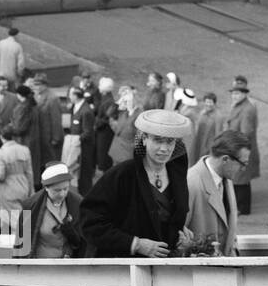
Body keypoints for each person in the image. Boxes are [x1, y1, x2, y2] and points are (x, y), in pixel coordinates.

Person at [80, 109, 193, 258]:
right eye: (158, 140)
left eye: (170, 141)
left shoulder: (177, 175)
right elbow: (90, 223)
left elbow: (165, 219)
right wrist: (135, 244)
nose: (164, 148)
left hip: (165, 270)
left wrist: (180, 236)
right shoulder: (122, 175)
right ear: (144, 139)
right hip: (124, 270)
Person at [186, 130, 251, 256]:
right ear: (225, 159)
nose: (243, 169)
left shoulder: (226, 176)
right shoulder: (190, 183)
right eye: (243, 164)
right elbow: (177, 235)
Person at [22, 162, 83, 259]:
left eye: (65, 189)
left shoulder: (77, 202)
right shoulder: (30, 205)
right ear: (46, 188)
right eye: (57, 190)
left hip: (69, 266)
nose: (62, 194)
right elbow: (22, 242)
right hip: (41, 265)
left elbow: (85, 240)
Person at [225, 79, 259, 215]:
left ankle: (243, 208)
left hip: (241, 149)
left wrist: (237, 149)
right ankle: (241, 207)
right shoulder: (238, 105)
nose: (234, 96)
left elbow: (246, 133)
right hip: (237, 147)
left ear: (244, 94)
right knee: (239, 179)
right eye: (233, 93)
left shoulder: (247, 109)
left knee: (242, 180)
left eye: (237, 93)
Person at [0, 125, 34, 215]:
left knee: (14, 220)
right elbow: (29, 173)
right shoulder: (25, 150)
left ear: (2, 137)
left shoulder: (0, 153)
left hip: (8, 189)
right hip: (23, 186)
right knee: (23, 215)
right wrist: (31, 190)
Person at [62, 82, 96, 192]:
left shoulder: (86, 111)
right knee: (75, 172)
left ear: (76, 96)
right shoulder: (74, 107)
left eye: (71, 95)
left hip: (84, 148)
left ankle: (85, 195)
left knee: (84, 174)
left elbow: (87, 132)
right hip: (75, 147)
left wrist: (75, 140)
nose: (69, 97)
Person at [34, 78, 64, 176]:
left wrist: (56, 138)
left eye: (39, 85)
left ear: (45, 85)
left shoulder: (52, 98)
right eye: (35, 85)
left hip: (49, 137)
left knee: (50, 164)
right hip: (40, 137)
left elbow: (56, 120)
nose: (36, 87)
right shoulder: (36, 96)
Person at [107, 85, 141, 165]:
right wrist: (119, 102)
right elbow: (109, 113)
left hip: (128, 150)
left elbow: (139, 135)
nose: (125, 102)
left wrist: (133, 147)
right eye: (125, 100)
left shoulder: (139, 113)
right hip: (116, 148)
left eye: (128, 100)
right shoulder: (123, 111)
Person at [92, 76, 118, 176]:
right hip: (102, 132)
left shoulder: (109, 101)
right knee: (102, 156)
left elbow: (107, 118)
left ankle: (107, 176)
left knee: (104, 156)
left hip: (105, 133)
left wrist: (96, 123)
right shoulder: (106, 99)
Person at [187, 92, 220, 164]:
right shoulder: (202, 113)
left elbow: (218, 134)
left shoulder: (218, 116)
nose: (208, 104)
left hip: (208, 146)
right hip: (199, 143)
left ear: (214, 103)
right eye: (207, 102)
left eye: (210, 102)